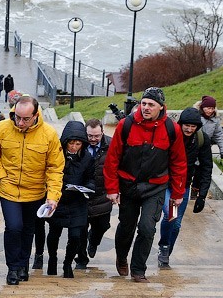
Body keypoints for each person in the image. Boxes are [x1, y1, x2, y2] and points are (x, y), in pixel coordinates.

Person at [104, 87, 187, 283]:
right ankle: (122, 256)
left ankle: (138, 270)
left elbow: (179, 163)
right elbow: (112, 159)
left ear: (161, 107)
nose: (146, 108)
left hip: (156, 187)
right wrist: (112, 188)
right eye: (143, 104)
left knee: (148, 228)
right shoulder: (126, 125)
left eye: (151, 104)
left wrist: (177, 193)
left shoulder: (172, 129)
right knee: (127, 227)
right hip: (129, 186)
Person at [0, 95, 64, 285]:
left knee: (29, 229)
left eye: (25, 119)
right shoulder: (1, 128)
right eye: (17, 117)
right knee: (14, 227)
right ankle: (12, 268)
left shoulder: (49, 134)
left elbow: (55, 167)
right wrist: (1, 176)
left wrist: (53, 197)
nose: (20, 122)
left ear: (35, 115)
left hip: (35, 191)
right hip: (9, 189)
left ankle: (23, 265)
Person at [157, 107, 213, 268]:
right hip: (165, 183)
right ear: (181, 124)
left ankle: (166, 249)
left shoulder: (202, 140)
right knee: (170, 214)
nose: (189, 129)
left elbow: (206, 167)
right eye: (186, 125)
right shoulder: (171, 135)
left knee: (176, 223)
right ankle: (164, 246)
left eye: (193, 127)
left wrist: (202, 195)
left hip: (182, 186)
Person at [46, 120, 94, 278]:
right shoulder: (56, 154)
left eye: (77, 144)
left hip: (77, 202)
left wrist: (87, 188)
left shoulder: (87, 157)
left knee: (75, 236)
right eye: (71, 143)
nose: (74, 147)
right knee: (54, 233)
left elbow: (91, 178)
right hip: (58, 200)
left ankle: (68, 263)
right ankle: (52, 259)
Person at [84, 118, 113, 261]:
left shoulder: (111, 144)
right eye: (90, 136)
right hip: (83, 194)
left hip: (103, 193)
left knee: (102, 225)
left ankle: (94, 241)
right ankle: (81, 259)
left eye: (97, 136)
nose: (93, 139)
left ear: (102, 132)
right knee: (80, 229)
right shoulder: (80, 143)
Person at [195, 95, 223, 160]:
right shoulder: (195, 116)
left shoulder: (215, 120)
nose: (210, 111)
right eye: (208, 108)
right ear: (202, 107)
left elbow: (218, 135)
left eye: (212, 108)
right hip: (194, 148)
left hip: (206, 149)